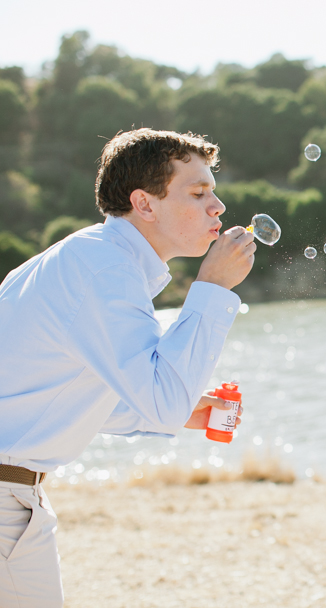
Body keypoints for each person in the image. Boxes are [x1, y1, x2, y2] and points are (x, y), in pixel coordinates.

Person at [0, 128, 256, 606]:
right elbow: (158, 401)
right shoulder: (104, 269)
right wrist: (215, 287)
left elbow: (53, 392)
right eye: (199, 192)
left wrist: (181, 409)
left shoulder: (88, 258)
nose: (217, 205)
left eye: (213, 191)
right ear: (145, 203)